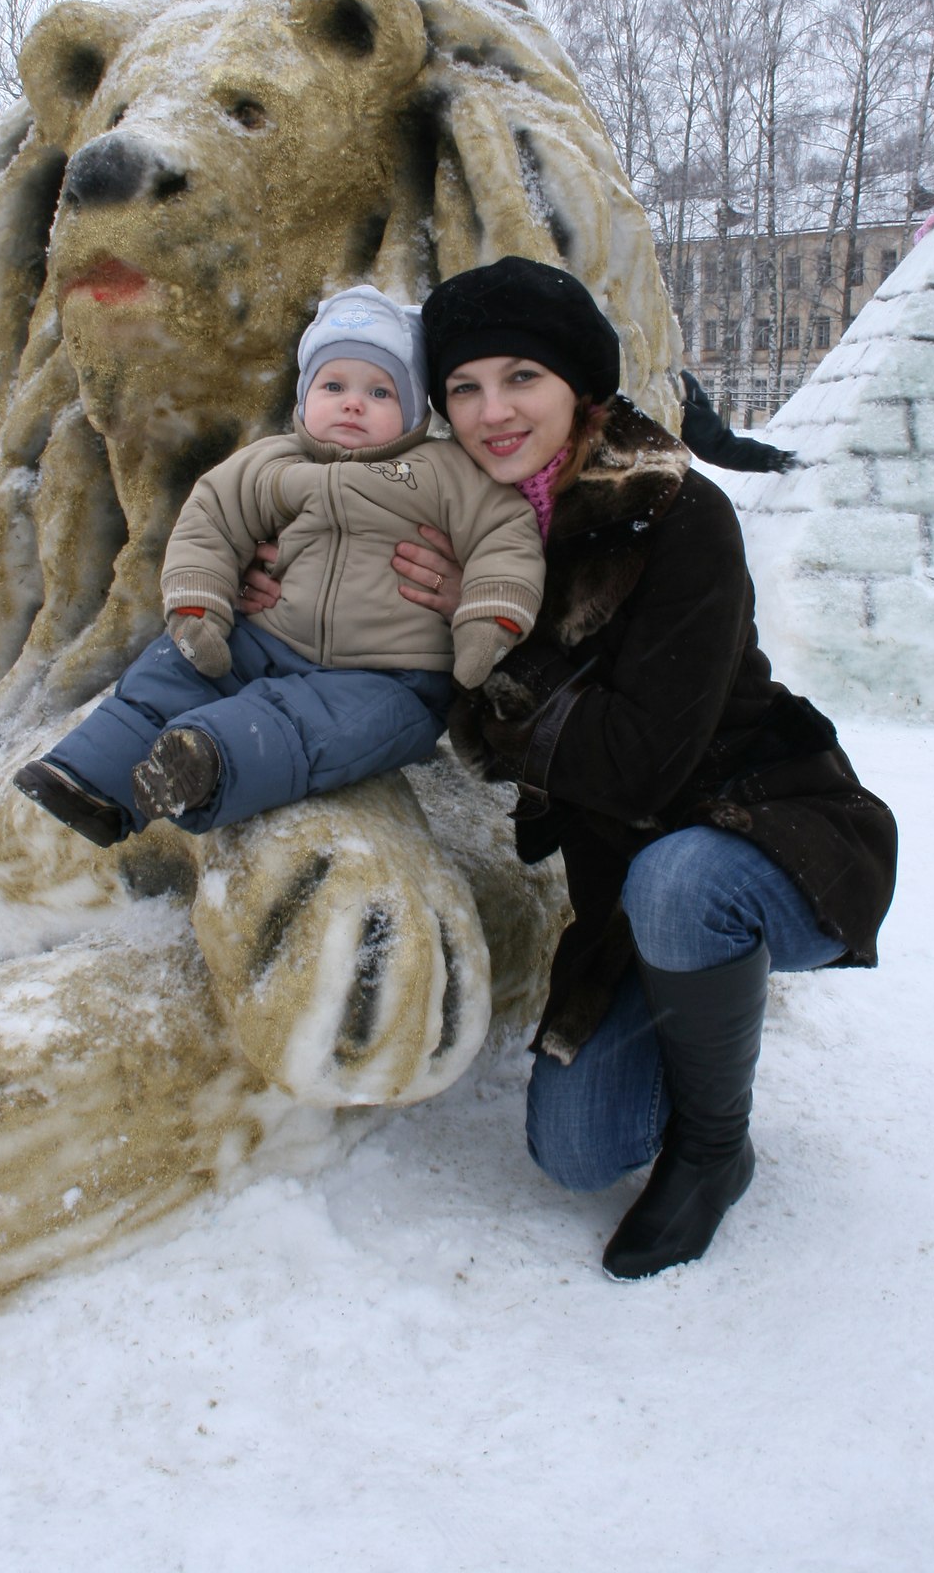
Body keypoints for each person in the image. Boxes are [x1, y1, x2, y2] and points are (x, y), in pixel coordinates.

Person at [280, 255, 892, 1282]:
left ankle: (714, 1146)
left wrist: (484, 633)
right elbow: (386, 635)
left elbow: (639, 764)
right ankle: (684, 994)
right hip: (624, 878)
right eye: (464, 386)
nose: (492, 411)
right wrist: (275, 584)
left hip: (771, 827)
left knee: (683, 882)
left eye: (522, 376)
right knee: (575, 1151)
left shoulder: (677, 514)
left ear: (579, 386)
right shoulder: (465, 521)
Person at [14, 286, 545, 847]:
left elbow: (504, 533)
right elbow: (211, 521)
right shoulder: (272, 462)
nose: (353, 403)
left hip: (390, 674)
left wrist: (489, 616)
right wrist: (199, 605)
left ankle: (208, 761)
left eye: (380, 391)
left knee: (342, 725)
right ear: (304, 393)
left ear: (415, 410)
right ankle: (92, 779)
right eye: (333, 386)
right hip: (264, 641)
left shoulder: (442, 471)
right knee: (172, 671)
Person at [679, 368, 798, 473]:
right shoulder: (679, 383)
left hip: (671, 475)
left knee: (709, 493)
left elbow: (716, 445)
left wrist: (771, 458)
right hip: (669, 474)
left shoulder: (679, 385)